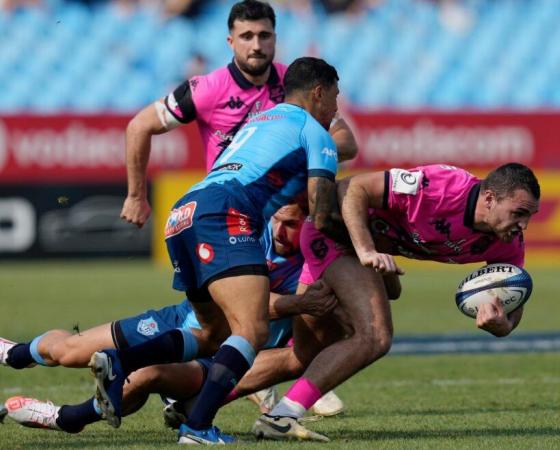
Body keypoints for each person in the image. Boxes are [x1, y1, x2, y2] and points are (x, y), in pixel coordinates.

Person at [88, 56, 345, 444]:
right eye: (336, 98)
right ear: (319, 92)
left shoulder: (262, 118)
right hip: (227, 209)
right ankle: (198, 426)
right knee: (253, 328)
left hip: (185, 209)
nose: (337, 109)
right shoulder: (316, 133)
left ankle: (120, 360)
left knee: (211, 333)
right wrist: (367, 238)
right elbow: (321, 214)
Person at [239, 162, 541, 442]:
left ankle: (199, 394)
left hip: (354, 247)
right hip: (333, 232)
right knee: (375, 335)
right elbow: (352, 188)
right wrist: (366, 250)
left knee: (302, 356)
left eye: (529, 216)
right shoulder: (441, 187)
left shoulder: (508, 241)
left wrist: (502, 326)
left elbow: (514, 308)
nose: (524, 225)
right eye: (518, 213)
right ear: (489, 198)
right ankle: (281, 416)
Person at [0, 204, 337, 433]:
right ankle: (14, 354)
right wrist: (300, 303)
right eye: (277, 219)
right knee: (70, 351)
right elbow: (238, 298)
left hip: (215, 359)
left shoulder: (315, 263)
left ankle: (65, 417)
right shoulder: (248, 235)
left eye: (291, 224)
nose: (279, 229)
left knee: (147, 375)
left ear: (308, 225)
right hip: (183, 321)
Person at [120, 0, 357, 229]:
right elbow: (139, 126)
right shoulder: (206, 89)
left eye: (264, 36)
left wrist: (292, 161)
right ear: (230, 42)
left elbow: (346, 141)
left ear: (275, 39)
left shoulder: (297, 86)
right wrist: (135, 196)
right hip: (233, 215)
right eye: (246, 36)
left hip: (290, 219)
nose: (256, 45)